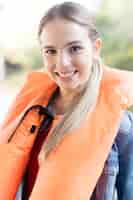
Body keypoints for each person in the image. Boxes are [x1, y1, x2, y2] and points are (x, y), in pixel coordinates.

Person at [0, 2, 133, 200]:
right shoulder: (27, 113)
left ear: (95, 48)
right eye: (50, 51)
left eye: (75, 48)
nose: (62, 63)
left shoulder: (121, 126)